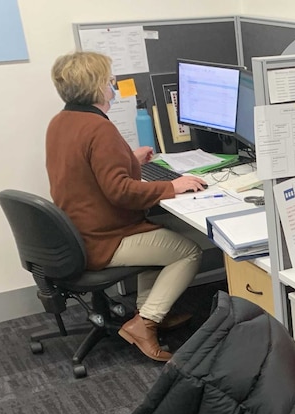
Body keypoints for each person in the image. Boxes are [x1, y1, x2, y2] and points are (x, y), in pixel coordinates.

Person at [46, 51, 207, 362]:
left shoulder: (61, 121)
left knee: (164, 234)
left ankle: (149, 313)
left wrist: (128, 160)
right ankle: (144, 324)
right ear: (96, 87)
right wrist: (171, 186)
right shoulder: (99, 128)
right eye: (109, 80)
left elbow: (83, 171)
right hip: (103, 238)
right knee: (188, 251)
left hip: (80, 232)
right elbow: (120, 192)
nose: (113, 85)